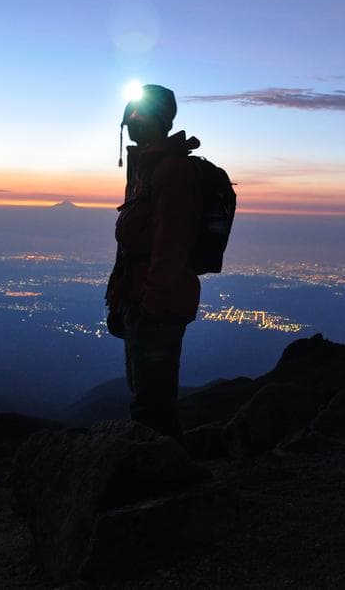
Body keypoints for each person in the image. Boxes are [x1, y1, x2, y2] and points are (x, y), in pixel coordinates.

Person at [105, 83, 202, 441]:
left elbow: (171, 245)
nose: (132, 123)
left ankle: (167, 481)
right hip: (142, 297)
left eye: (139, 116)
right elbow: (134, 242)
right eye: (130, 116)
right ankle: (161, 476)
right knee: (145, 397)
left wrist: (151, 304)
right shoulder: (148, 170)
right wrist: (120, 299)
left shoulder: (171, 172)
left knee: (153, 405)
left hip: (158, 304)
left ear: (159, 121)